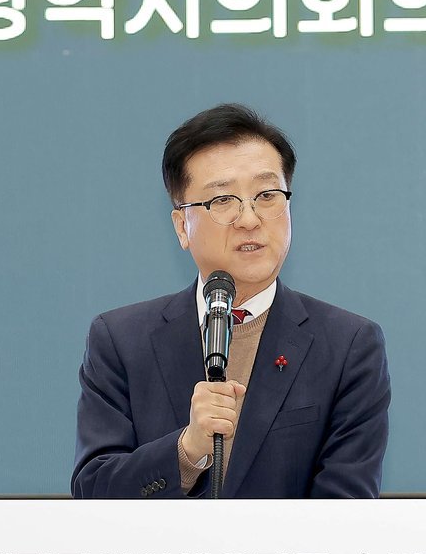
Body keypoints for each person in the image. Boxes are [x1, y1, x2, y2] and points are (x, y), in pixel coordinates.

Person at [72, 103, 390, 501]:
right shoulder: (121, 340)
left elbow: (345, 508)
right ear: (182, 226)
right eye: (223, 200)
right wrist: (187, 451)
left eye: (267, 195)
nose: (250, 219)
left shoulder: (348, 345)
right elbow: (94, 492)